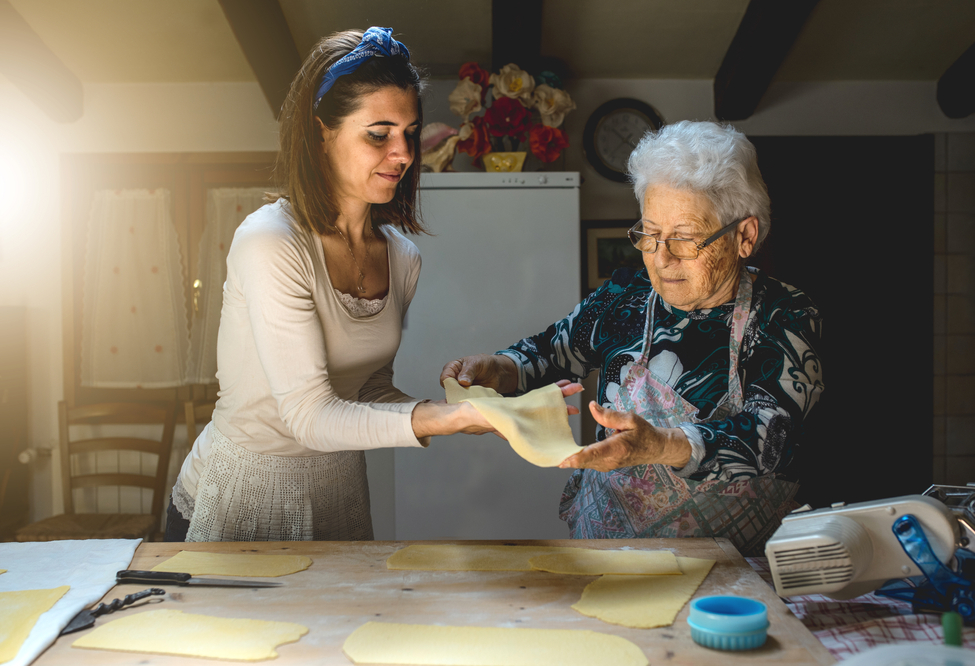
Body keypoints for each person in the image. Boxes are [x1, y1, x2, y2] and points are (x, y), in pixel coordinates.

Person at [165, 27, 580, 542]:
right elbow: (309, 418)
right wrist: (439, 421)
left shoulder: (402, 257)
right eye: (378, 134)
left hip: (341, 485)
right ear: (322, 132)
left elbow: (368, 391)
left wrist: (474, 410)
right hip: (244, 491)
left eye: (409, 132)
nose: (403, 154)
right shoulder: (270, 242)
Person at [442, 121, 823, 556]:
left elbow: (774, 436)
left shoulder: (782, 314)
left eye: (684, 238)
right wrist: (500, 368)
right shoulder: (624, 297)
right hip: (609, 556)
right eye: (649, 233)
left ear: (744, 236)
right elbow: (549, 354)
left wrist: (663, 445)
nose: (660, 258)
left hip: (729, 565)